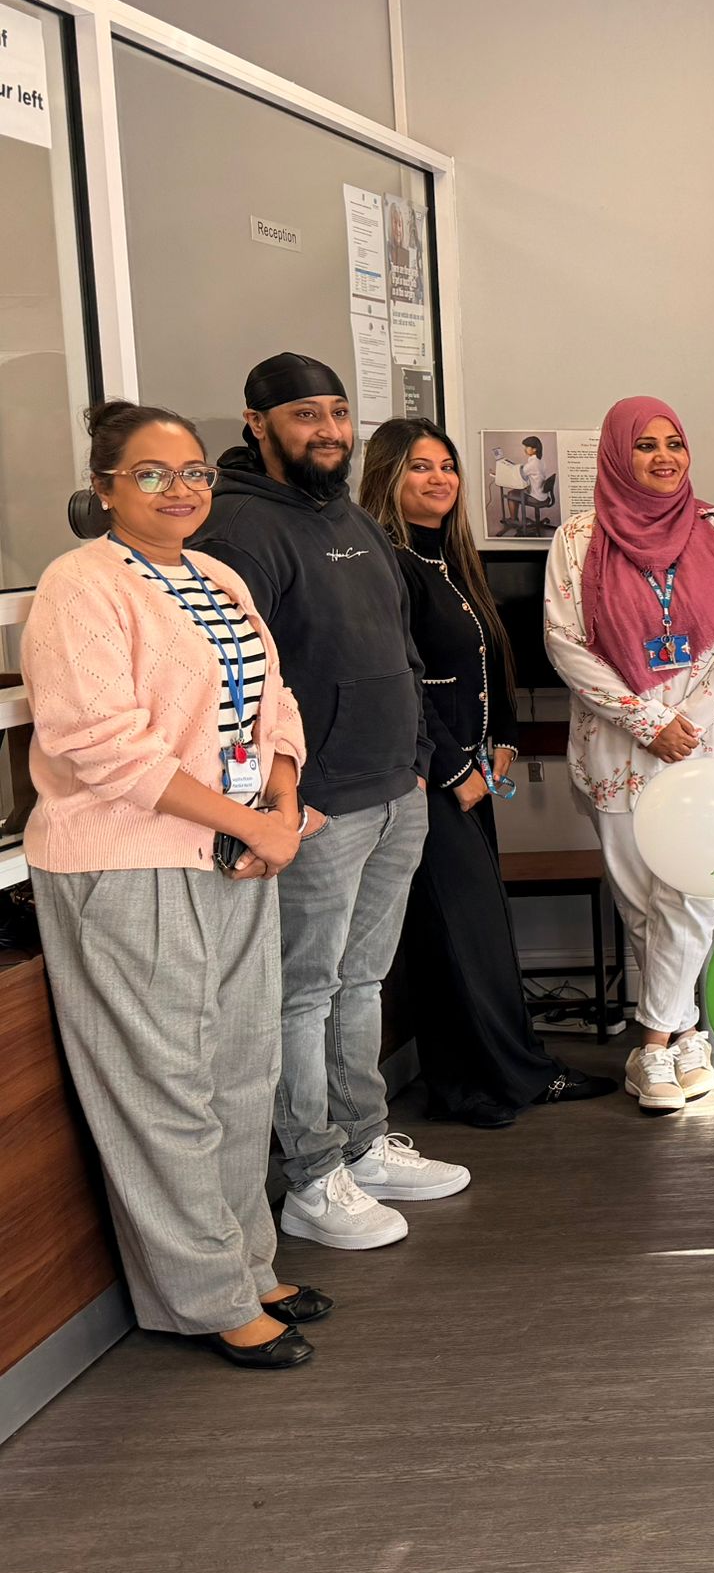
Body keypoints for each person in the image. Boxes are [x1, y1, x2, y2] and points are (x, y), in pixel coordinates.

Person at [24, 402, 326, 1368]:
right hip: (129, 863)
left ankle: (247, 1261)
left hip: (235, 851)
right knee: (165, 1087)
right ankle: (207, 1297)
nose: (180, 489)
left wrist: (280, 801)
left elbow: (273, 702)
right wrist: (252, 824)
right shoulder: (79, 585)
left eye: (194, 471)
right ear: (104, 487)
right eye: (151, 474)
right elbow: (101, 745)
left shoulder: (216, 577)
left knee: (242, 1070)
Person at [200, 353, 468, 1251]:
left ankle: (360, 1144)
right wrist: (284, 798)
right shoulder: (237, 529)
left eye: (339, 413)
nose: (329, 431)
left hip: (393, 792)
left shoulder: (347, 516)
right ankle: (312, 1177)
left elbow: (398, 645)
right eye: (306, 414)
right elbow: (234, 684)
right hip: (314, 809)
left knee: (360, 983)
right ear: (257, 423)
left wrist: (418, 759)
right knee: (303, 995)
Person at [360, 421, 614, 1126]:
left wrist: (503, 739)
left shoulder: (450, 560)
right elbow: (402, 682)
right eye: (420, 467)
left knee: (475, 932)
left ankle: (503, 1074)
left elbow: (487, 657)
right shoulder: (386, 565)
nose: (439, 478)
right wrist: (452, 770)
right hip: (429, 779)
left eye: (447, 466)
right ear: (387, 477)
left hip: (475, 773)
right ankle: (477, 1085)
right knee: (457, 933)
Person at [544, 396, 714, 1115]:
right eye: (645, 445)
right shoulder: (578, 538)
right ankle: (687, 1035)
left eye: (674, 442)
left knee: (690, 896)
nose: (663, 457)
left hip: (712, 746)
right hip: (620, 752)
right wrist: (647, 721)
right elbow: (565, 643)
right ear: (617, 455)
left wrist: (686, 721)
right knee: (642, 906)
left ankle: (649, 1046)